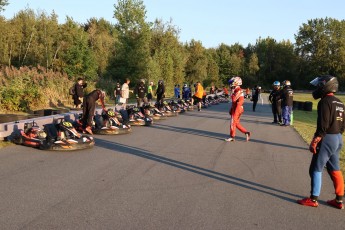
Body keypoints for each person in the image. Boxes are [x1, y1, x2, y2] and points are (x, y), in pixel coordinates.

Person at [297, 75, 344, 209]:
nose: (317, 88)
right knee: (335, 168)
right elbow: (343, 126)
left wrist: (315, 140)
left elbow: (323, 124)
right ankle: (339, 200)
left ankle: (313, 199)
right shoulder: (340, 103)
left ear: (326, 86)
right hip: (338, 138)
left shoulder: (324, 102)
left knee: (316, 168)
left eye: (319, 85)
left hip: (327, 138)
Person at [225, 76, 250, 142]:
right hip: (236, 107)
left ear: (236, 82)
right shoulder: (236, 90)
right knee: (236, 123)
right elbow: (234, 102)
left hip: (238, 108)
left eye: (232, 82)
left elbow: (234, 99)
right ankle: (246, 133)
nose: (230, 84)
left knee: (233, 122)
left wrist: (232, 93)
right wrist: (231, 109)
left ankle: (232, 137)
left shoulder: (238, 90)